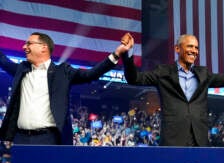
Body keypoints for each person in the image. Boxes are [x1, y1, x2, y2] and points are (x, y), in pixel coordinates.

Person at [0, 32, 131, 145]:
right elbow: (3, 60)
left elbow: (91, 73)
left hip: (49, 139)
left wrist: (116, 54)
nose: (24, 47)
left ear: (43, 47)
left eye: (29, 44)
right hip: (20, 139)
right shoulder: (21, 69)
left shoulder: (63, 72)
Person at [120, 33, 224, 147]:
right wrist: (129, 52)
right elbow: (134, 79)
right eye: (190, 46)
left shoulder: (203, 74)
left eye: (196, 48)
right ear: (177, 49)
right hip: (172, 142)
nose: (194, 51)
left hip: (199, 142)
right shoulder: (163, 72)